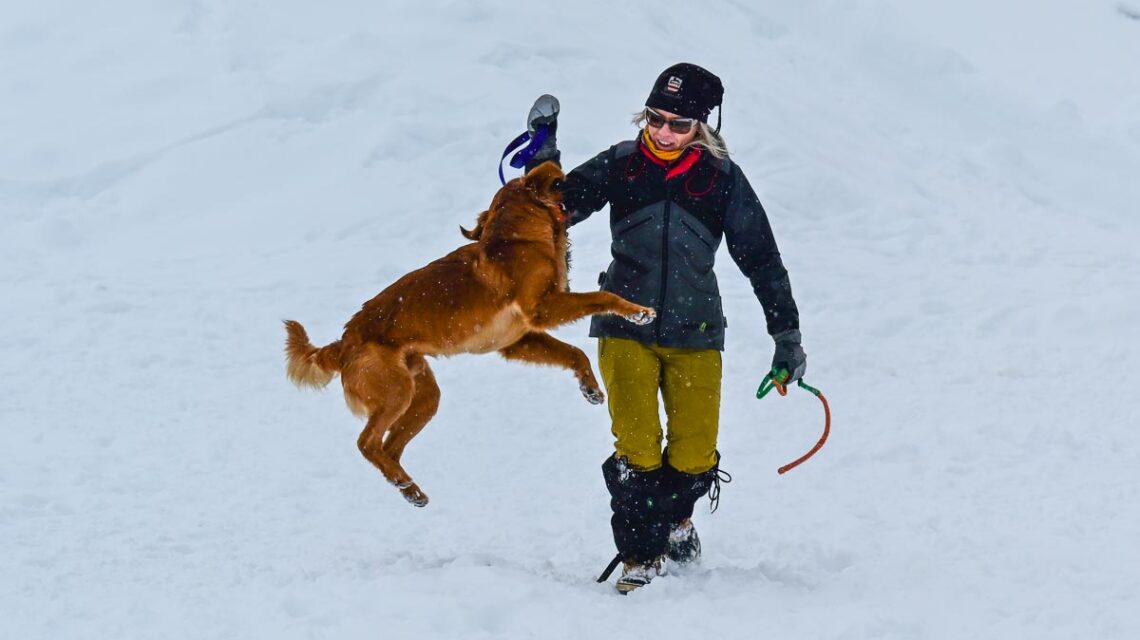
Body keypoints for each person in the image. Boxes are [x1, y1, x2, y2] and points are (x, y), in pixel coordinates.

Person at [523, 63, 806, 594]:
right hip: (624, 325)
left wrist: (786, 335)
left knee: (694, 455)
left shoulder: (722, 181)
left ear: (704, 126)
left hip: (696, 330)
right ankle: (641, 554)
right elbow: (554, 210)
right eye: (656, 118)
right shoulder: (622, 164)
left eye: (679, 123)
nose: (663, 132)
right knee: (638, 450)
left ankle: (676, 520)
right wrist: (544, 164)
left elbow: (762, 260)